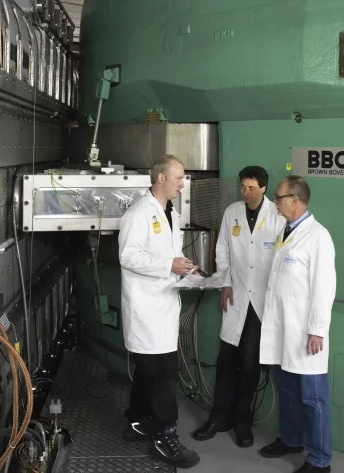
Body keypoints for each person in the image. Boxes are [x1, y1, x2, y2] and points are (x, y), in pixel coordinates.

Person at [117, 154, 201, 468]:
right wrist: (169, 265)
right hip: (146, 308)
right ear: (161, 178)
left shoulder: (170, 213)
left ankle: (137, 421)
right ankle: (165, 438)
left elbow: (170, 253)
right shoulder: (139, 213)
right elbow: (128, 256)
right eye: (179, 178)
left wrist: (184, 270)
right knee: (164, 375)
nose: (183, 184)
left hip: (164, 302)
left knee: (149, 372)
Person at [193, 166, 284, 447]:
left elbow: (280, 259)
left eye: (251, 188)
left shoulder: (277, 217)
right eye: (243, 187)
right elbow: (222, 250)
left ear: (264, 189)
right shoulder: (232, 212)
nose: (245, 192)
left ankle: (243, 423)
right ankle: (218, 418)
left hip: (261, 303)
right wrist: (225, 283)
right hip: (235, 298)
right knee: (227, 360)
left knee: (249, 365)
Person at [258, 176, 336, 473]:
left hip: (305, 334)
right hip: (282, 330)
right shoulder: (286, 231)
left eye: (278, 198)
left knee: (312, 398)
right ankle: (292, 439)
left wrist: (317, 329)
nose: (275, 203)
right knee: (288, 391)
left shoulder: (318, 237)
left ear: (295, 200)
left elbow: (324, 287)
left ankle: (320, 461)